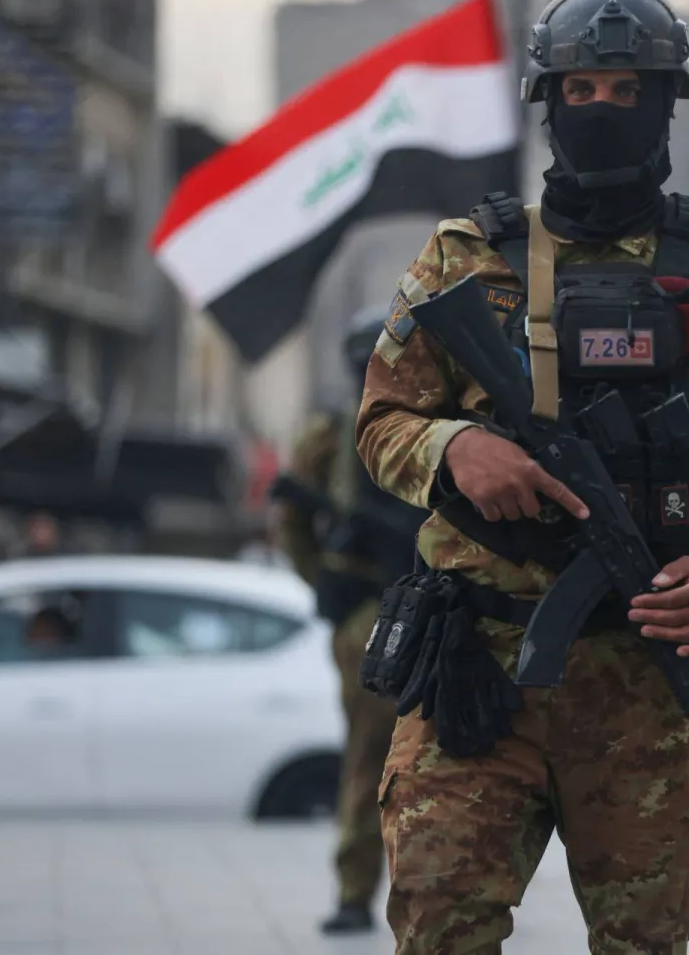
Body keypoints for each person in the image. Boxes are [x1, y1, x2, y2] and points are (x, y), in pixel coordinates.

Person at [355, 0, 689, 954]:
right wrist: (455, 448)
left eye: (627, 91)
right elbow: (383, 422)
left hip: (646, 677)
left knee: (647, 937)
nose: (603, 110)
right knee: (439, 926)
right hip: (476, 665)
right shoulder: (464, 260)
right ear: (548, 102)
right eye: (581, 90)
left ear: (665, 106)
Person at [272, 307, 430, 936]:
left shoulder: (415, 429)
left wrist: (326, 582)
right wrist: (330, 585)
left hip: (412, 606)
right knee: (378, 755)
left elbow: (292, 529)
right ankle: (363, 890)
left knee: (407, 758)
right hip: (377, 607)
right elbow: (292, 518)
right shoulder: (344, 434)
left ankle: (406, 890)